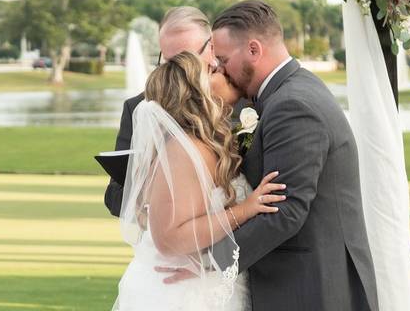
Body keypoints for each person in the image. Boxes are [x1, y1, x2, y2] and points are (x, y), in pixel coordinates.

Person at [204, 0, 379, 311]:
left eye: (222, 59)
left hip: (310, 289)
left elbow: (285, 213)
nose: (220, 69)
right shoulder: (287, 92)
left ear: (254, 50)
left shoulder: (292, 105)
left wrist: (208, 262)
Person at [113, 51, 284, 310]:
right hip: (182, 295)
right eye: (212, 71)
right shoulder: (182, 152)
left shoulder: (204, 143)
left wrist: (213, 263)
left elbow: (210, 233)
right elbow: (169, 238)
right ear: (196, 92)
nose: (222, 70)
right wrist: (245, 209)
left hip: (209, 284)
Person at [104, 6, 244, 217]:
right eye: (169, 62)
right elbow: (113, 196)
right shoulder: (140, 107)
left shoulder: (242, 99)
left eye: (186, 58)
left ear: (211, 47)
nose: (178, 72)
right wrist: (156, 188)